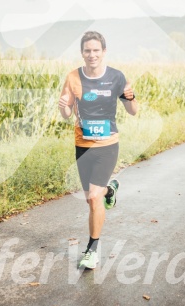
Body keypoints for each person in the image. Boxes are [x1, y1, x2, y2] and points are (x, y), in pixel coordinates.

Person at [58, 31, 138, 270]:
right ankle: (109, 189)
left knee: (93, 197)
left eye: (96, 50)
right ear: (82, 53)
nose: (91, 54)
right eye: (87, 50)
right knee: (90, 199)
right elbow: (67, 114)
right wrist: (63, 107)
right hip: (82, 146)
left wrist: (132, 98)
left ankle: (91, 250)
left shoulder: (116, 77)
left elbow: (133, 110)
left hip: (107, 146)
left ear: (103, 52)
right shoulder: (73, 77)